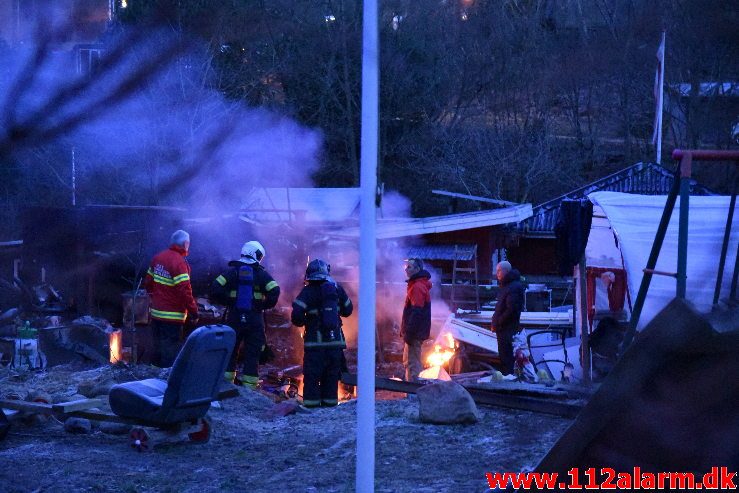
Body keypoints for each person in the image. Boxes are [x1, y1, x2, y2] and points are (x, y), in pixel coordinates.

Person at [209, 240, 280, 388]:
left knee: (231, 350)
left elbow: (215, 287)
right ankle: (249, 389)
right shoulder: (261, 274)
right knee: (252, 353)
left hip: (234, 317)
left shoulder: (232, 272)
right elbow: (275, 290)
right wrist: (262, 305)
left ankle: (226, 384)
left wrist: (228, 301)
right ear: (255, 254)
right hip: (254, 319)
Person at [291, 259, 353, 407]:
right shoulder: (337, 289)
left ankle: (312, 408)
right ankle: (330, 407)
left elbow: (297, 316)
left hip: (315, 345)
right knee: (331, 377)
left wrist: (307, 322)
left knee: (312, 377)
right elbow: (348, 310)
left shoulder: (307, 291)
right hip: (335, 344)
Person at [144, 229, 199, 367]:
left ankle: (153, 380)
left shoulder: (158, 258)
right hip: (172, 317)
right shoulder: (179, 263)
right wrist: (194, 312)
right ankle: (166, 382)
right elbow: (185, 291)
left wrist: (155, 297)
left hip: (156, 314)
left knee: (157, 350)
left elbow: (148, 283)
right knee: (170, 352)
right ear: (186, 244)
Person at [400, 257, 432, 382]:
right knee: (411, 362)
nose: (406, 269)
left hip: (414, 333)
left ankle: (413, 393)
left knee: (412, 363)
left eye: (409, 267)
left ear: (417, 269)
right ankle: (412, 392)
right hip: (415, 333)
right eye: (406, 266)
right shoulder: (417, 284)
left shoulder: (417, 287)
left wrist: (409, 333)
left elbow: (416, 312)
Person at [491, 260, 524, 375]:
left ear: (506, 271)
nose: (497, 274)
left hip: (507, 328)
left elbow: (511, 309)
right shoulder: (507, 286)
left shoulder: (513, 287)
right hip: (503, 328)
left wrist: (499, 322)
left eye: (499, 271)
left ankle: (509, 378)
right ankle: (507, 377)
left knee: (507, 356)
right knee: (504, 355)